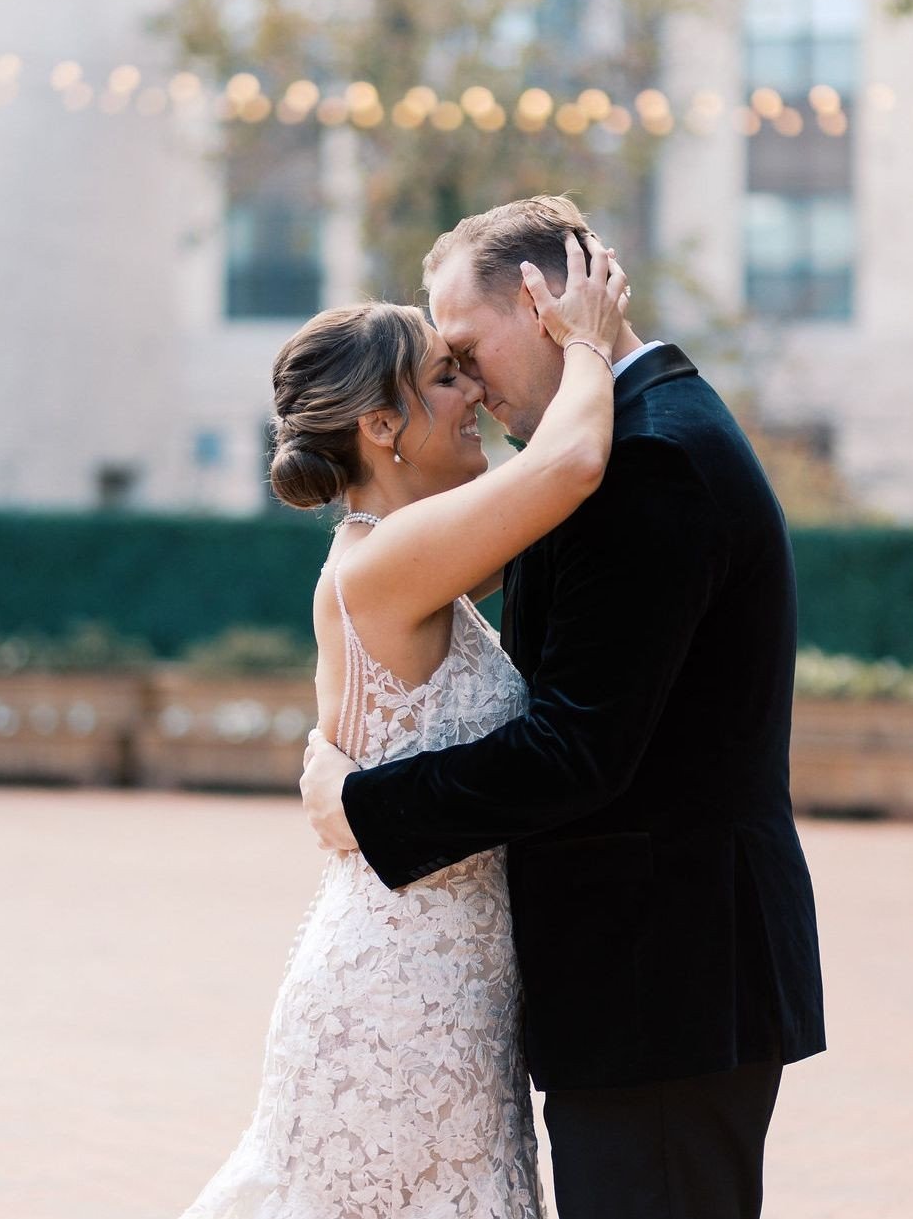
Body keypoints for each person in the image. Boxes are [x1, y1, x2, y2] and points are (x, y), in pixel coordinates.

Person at [301, 195, 827, 1219]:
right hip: (644, 983)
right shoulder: (607, 447)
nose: (462, 380)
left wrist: (366, 805)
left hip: (662, 980)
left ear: (547, 301)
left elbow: (578, 747)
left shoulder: (645, 460)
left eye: (461, 346)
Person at [176, 232, 629, 1219]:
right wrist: (589, 344)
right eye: (443, 377)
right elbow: (572, 463)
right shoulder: (388, 560)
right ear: (382, 425)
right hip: (399, 1006)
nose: (471, 391)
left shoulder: (407, 551)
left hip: (452, 992)